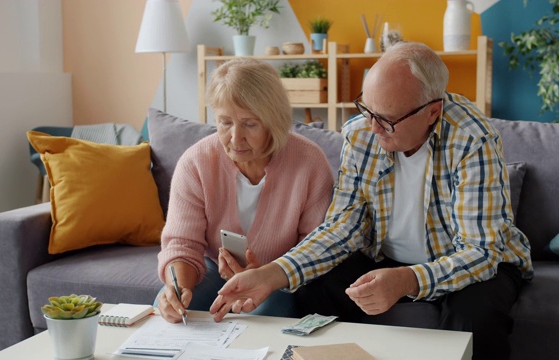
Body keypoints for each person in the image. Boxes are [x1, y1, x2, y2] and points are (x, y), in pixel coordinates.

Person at [210, 42, 533, 359]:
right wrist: (271, 274)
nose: (373, 127)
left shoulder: (472, 139)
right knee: (315, 289)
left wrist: (409, 280)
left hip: (473, 264)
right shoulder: (361, 133)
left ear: (432, 112)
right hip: (385, 258)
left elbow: (481, 252)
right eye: (367, 109)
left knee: (475, 320)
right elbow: (341, 228)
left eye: (387, 119)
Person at [155, 58, 335, 324]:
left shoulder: (310, 162)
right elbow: (182, 244)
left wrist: (267, 273)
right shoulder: (195, 162)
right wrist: (178, 288)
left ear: (274, 120)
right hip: (214, 271)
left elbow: (316, 247)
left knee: (263, 321)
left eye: (249, 124)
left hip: (280, 278)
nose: (235, 138)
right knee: (167, 317)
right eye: (225, 122)